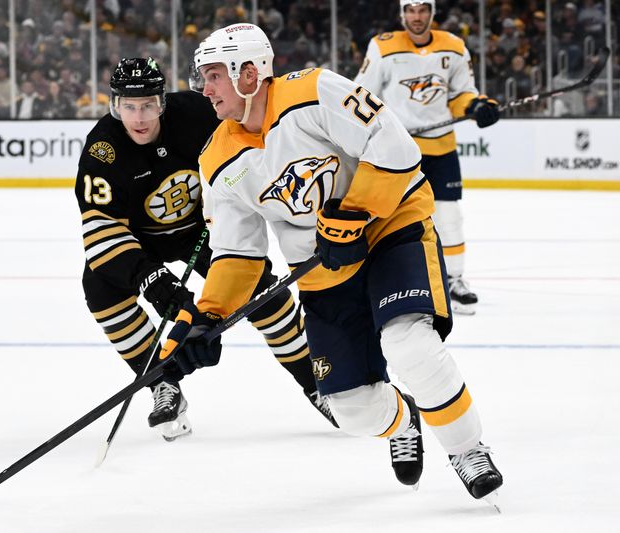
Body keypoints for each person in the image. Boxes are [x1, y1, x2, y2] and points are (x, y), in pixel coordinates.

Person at [164, 23, 503, 503]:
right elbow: (238, 252)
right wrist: (206, 317)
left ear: (248, 72)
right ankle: (405, 419)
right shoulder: (217, 157)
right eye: (205, 76)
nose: (206, 88)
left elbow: (394, 146)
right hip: (322, 268)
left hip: (389, 229)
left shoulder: (315, 90)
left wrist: (354, 212)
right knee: (350, 408)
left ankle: (467, 449)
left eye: (214, 74)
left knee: (410, 345)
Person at [75, 57, 336, 441]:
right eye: (128, 107)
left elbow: (247, 144)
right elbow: (102, 229)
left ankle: (315, 382)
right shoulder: (103, 151)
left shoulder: (197, 114)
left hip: (203, 227)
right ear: (114, 105)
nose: (139, 117)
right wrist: (151, 279)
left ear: (162, 101)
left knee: (260, 290)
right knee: (100, 290)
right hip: (140, 241)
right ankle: (162, 383)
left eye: (148, 104)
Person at [354, 0, 501, 315]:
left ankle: (454, 280)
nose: (416, 17)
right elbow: (362, 95)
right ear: (402, 13)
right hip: (399, 152)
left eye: (423, 10)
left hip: (441, 148)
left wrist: (476, 108)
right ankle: (379, 280)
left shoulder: (454, 46)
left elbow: (463, 93)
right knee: (385, 217)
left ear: (432, 13)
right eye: (411, 10)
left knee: (449, 217)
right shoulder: (383, 47)